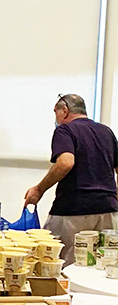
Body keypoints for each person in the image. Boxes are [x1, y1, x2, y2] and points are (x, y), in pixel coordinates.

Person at [23, 94, 118, 265]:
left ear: (65, 111)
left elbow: (66, 163)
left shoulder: (65, 130)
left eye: (56, 113)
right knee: (100, 267)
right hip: (108, 211)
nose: (56, 118)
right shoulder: (107, 132)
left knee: (57, 265)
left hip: (74, 211)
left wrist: (39, 189)